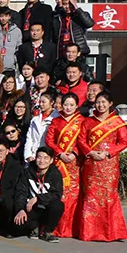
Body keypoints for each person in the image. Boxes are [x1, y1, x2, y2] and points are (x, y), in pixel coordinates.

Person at [74, 92, 127, 242]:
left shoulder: (117, 122)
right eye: (98, 102)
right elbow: (81, 140)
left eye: (104, 102)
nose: (100, 105)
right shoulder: (88, 121)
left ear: (110, 103)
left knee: (108, 197)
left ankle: (111, 233)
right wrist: (91, 152)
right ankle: (90, 232)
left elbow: (123, 143)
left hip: (109, 165)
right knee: (91, 196)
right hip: (91, 164)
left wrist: (107, 153)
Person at [45, 93, 84, 238]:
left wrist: (74, 153)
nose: (68, 108)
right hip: (59, 162)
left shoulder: (82, 121)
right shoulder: (56, 121)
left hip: (75, 163)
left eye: (71, 105)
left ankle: (72, 228)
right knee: (58, 194)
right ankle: (56, 227)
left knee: (74, 196)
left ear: (77, 106)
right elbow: (49, 140)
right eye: (65, 104)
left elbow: (83, 141)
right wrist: (60, 153)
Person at [13, 147, 66, 243]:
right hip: (31, 208)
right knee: (18, 223)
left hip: (46, 207)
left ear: (51, 160)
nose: (42, 161)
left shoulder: (55, 173)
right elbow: (21, 192)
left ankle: (47, 231)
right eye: (39, 157)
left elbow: (56, 194)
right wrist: (20, 209)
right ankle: (34, 227)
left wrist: (38, 198)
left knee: (58, 205)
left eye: (46, 158)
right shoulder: (27, 172)